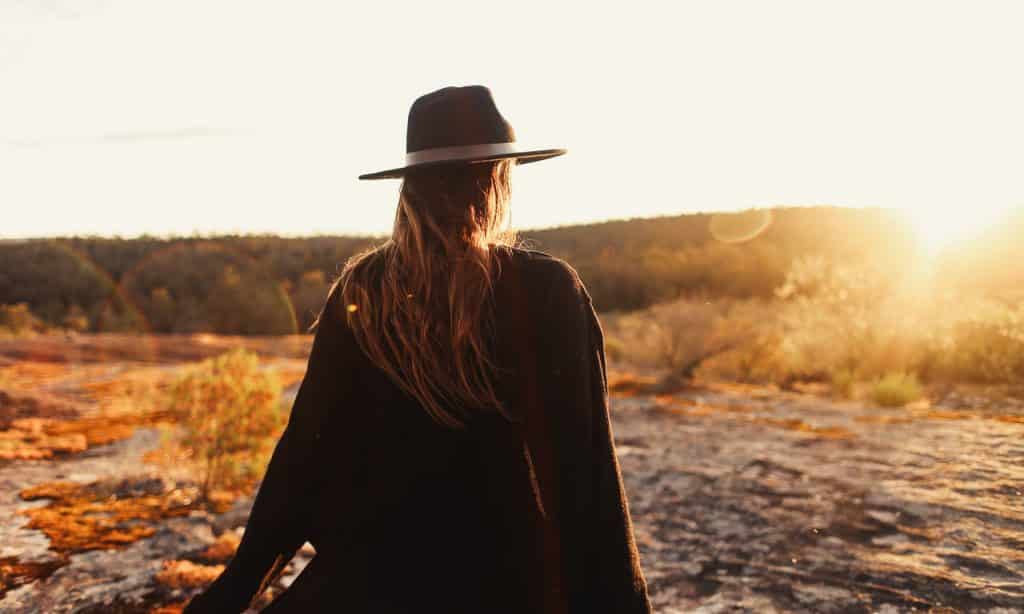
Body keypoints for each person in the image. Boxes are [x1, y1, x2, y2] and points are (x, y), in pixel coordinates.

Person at [183, 85, 651, 613]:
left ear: (410, 186)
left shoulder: (361, 289)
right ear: (496, 179)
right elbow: (585, 478)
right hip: (499, 588)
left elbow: (303, 460)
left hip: (361, 588)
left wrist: (230, 593)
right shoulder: (544, 291)